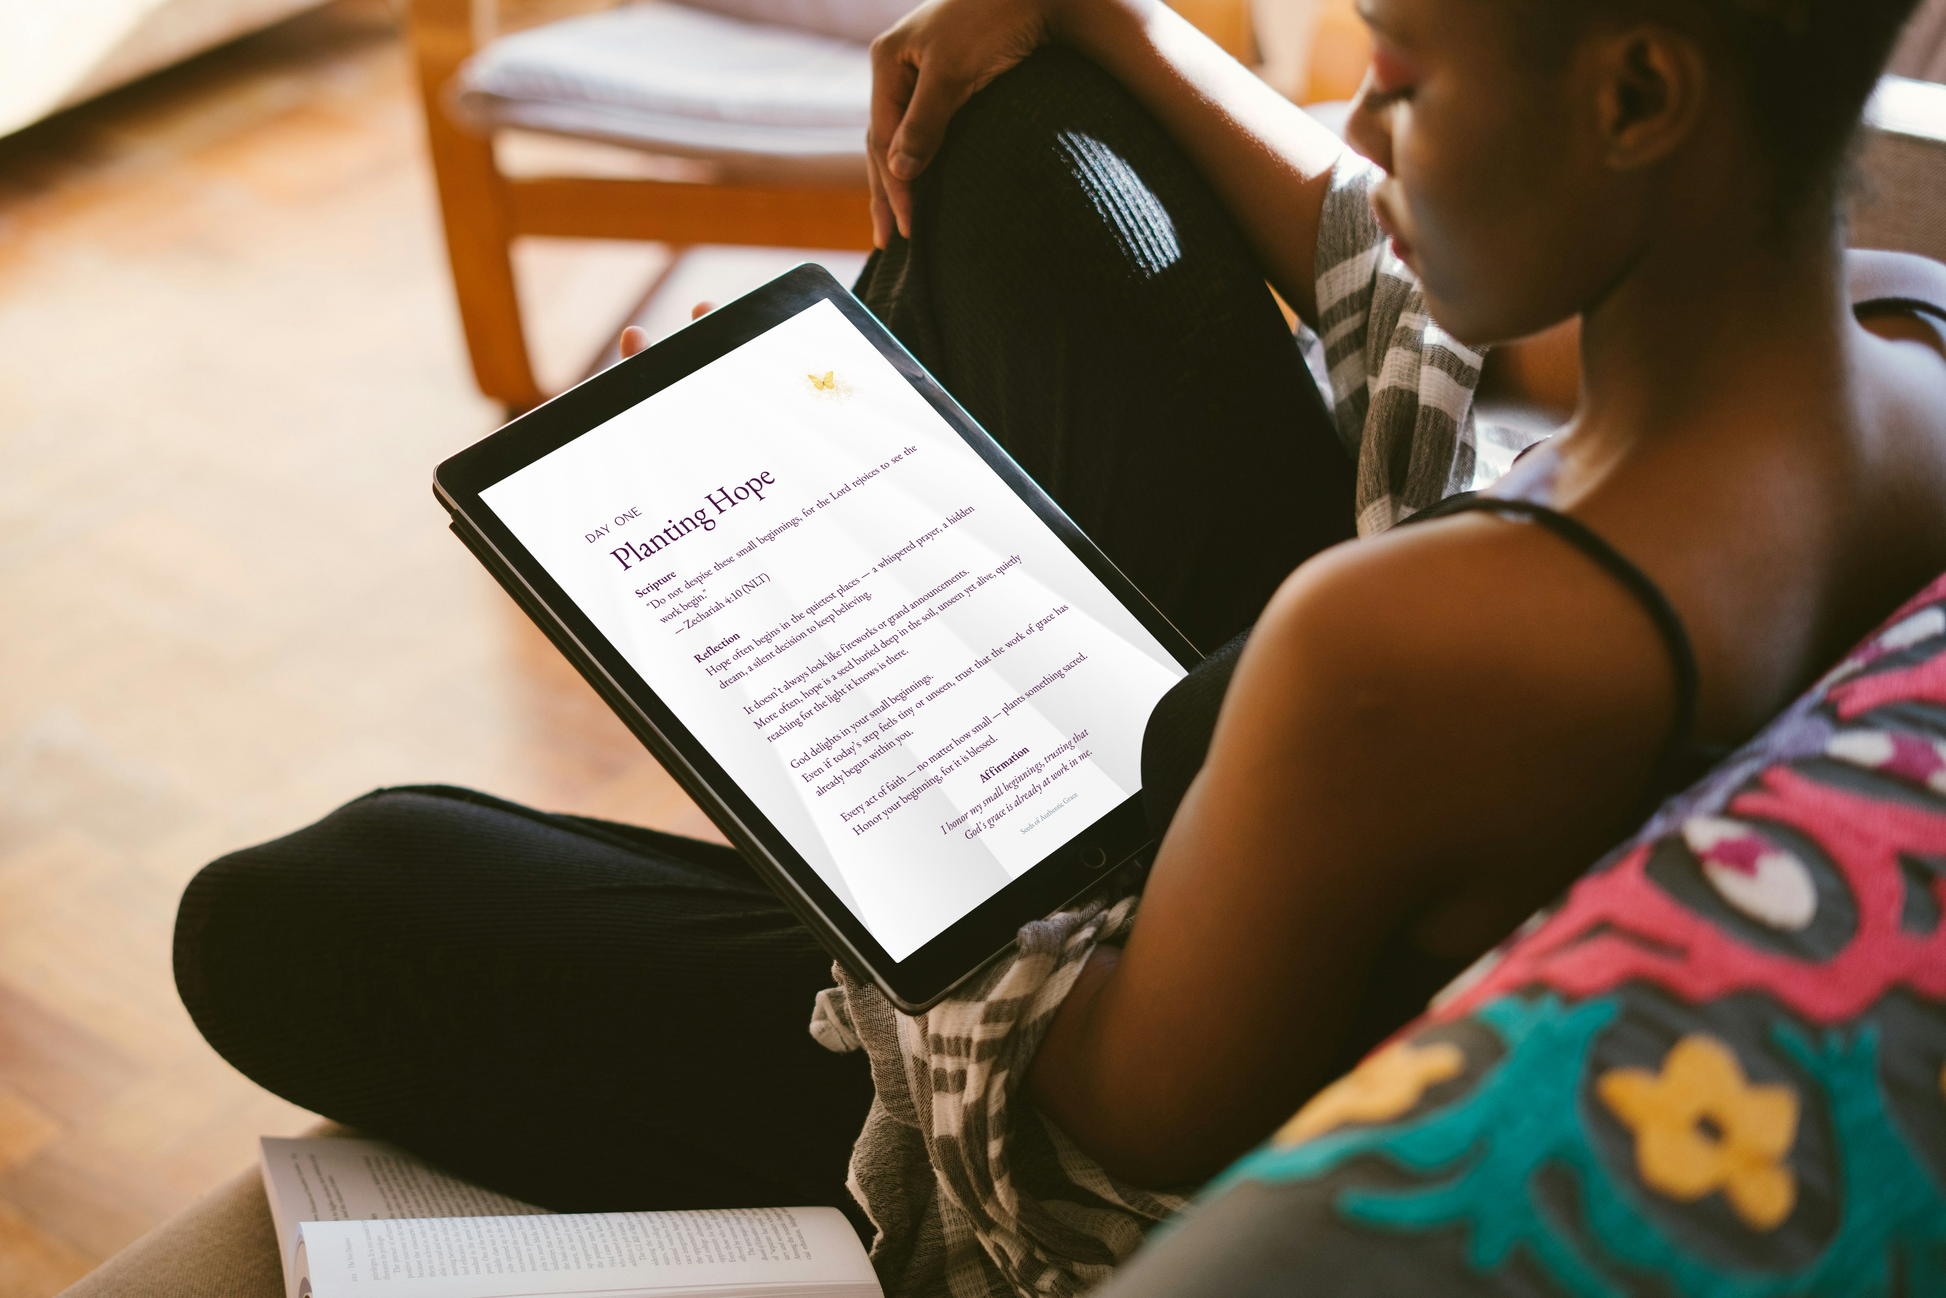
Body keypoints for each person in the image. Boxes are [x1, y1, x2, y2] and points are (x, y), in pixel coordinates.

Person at [173, 0, 1946, 1294]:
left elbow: (1080, 1159)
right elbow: (1431, 311)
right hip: (1342, 817)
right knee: (1028, 126)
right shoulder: (1895, 338)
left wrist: (839, 652)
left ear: (1638, 92)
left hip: (1159, 1001)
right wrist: (1103, 10)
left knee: (309, 901)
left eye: (1399, 70)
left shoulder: (1414, 642)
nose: (1371, 122)